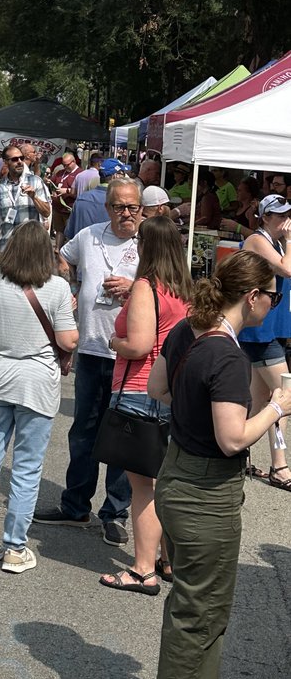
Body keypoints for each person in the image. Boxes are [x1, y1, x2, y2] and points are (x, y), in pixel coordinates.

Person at [148, 251, 291, 679]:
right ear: (252, 297)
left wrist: (195, 406)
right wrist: (276, 408)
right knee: (202, 616)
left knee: (188, 606)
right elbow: (232, 439)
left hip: (175, 475)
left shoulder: (184, 330)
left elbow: (157, 388)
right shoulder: (229, 358)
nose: (275, 303)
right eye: (274, 295)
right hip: (206, 495)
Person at [0, 222, 78, 572]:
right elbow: (68, 341)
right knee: (26, 468)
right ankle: (14, 547)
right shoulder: (56, 289)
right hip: (37, 383)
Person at [33, 176, 143, 544]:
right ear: (107, 206)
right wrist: (71, 287)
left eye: (133, 207)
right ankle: (76, 505)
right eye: (119, 207)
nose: (127, 214)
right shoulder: (90, 235)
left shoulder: (151, 242)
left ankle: (115, 512)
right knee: (83, 432)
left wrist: (134, 288)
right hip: (92, 349)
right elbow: (60, 259)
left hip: (131, 355)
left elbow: (171, 287)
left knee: (123, 437)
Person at [98, 217, 192, 595]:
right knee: (165, 482)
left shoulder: (145, 286)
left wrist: (113, 342)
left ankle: (141, 569)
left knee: (143, 486)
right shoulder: (183, 289)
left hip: (139, 391)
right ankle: (167, 559)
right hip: (172, 392)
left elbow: (138, 346)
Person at [236, 194, 291, 490]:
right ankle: (279, 466)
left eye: (288, 214)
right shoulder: (258, 241)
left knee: (256, 400)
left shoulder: (280, 244)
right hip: (260, 332)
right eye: (280, 215)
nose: (285, 220)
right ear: (265, 217)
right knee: (284, 396)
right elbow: (287, 269)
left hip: (272, 329)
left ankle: (237, 454)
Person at [0, 144, 51, 260]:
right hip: (4, 247)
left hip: (30, 247)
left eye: (21, 158)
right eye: (15, 159)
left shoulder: (35, 182)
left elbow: (46, 212)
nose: (20, 162)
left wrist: (34, 197)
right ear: (6, 162)